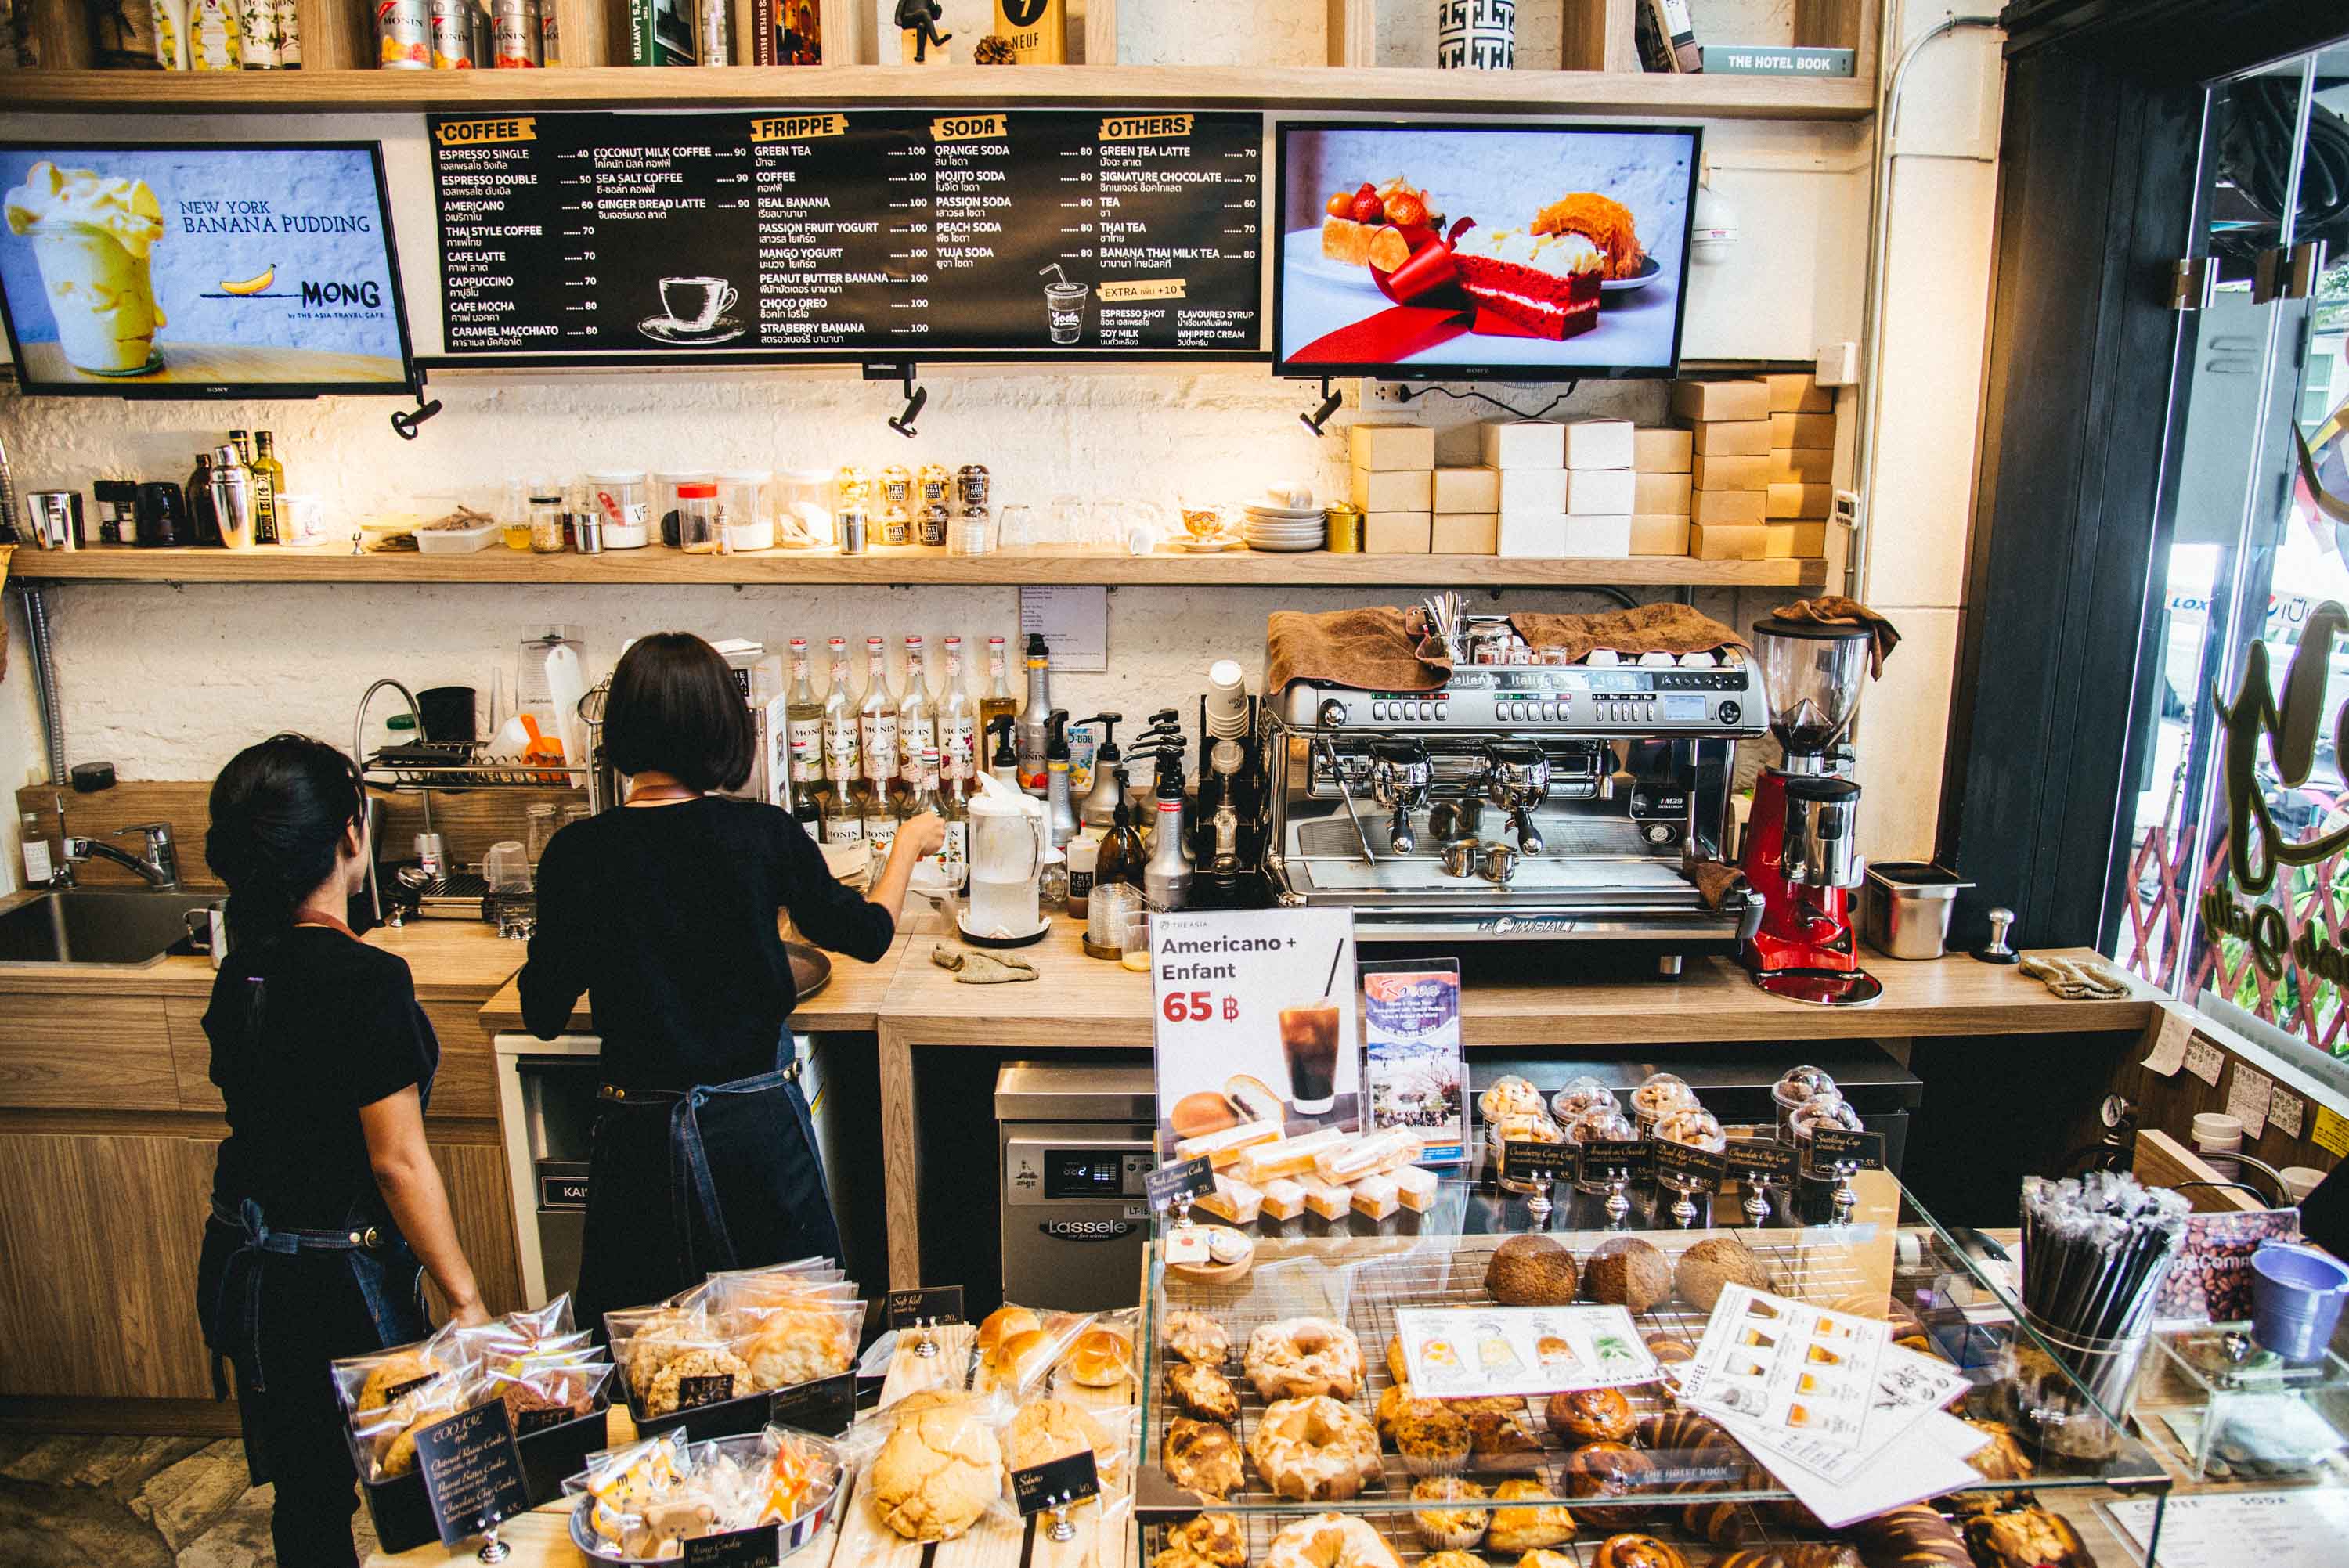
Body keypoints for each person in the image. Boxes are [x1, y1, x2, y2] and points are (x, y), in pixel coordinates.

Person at [521, 633, 943, 1329]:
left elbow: (541, 1011)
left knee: (647, 1352)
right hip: (754, 1137)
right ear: (723, 728)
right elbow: (868, 935)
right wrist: (905, 845)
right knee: (791, 1343)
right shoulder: (761, 834)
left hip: (637, 1149)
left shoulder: (577, 853)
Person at [193, 734, 487, 1568]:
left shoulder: (241, 971)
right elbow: (397, 1162)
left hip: (249, 1273)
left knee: (308, 1497)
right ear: (351, 834)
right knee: (423, 1483)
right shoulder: (367, 980)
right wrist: (464, 1297)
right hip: (342, 1290)